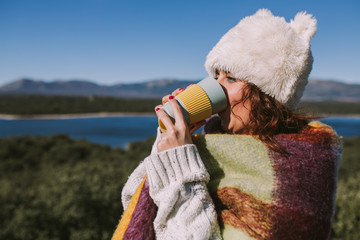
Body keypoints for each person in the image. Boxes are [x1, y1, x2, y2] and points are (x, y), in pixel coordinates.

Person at [113, 9, 342, 240]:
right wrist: (168, 142)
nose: (216, 89)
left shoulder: (303, 165)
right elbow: (133, 204)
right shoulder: (207, 147)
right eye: (216, 77)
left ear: (267, 95)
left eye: (231, 78)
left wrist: (179, 169)